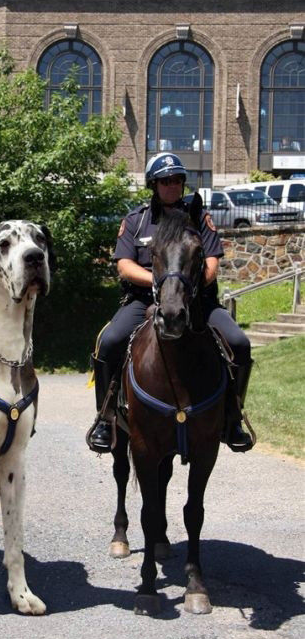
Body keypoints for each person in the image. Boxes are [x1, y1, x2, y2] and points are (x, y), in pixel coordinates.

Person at [87, 152, 254, 454]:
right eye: (166, 180)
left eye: (178, 179)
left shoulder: (197, 217)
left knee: (239, 343)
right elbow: (124, 266)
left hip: (196, 299)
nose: (173, 185)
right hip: (143, 299)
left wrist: (183, 287)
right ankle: (105, 417)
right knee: (109, 341)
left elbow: (212, 264)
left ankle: (232, 418)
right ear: (153, 184)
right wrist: (161, 284)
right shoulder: (136, 221)